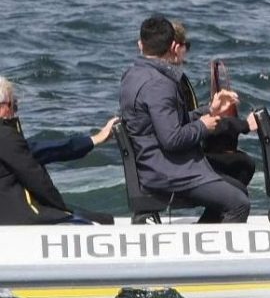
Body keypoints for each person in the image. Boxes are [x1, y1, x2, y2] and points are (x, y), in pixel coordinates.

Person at [119, 15, 250, 223]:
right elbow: (171, 138)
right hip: (168, 173)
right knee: (239, 203)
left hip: (156, 165)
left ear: (140, 45)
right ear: (173, 46)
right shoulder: (159, 84)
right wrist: (203, 126)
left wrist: (209, 109)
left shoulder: (133, 75)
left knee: (238, 189)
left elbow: (167, 122)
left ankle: (202, 238)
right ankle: (214, 254)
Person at [0, 76, 113, 225]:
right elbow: (35, 178)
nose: (15, 112)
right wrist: (61, 209)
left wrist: (94, 140)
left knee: (102, 219)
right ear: (2, 107)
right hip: (19, 217)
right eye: (14, 106)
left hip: (10, 214)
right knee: (98, 223)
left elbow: (44, 150)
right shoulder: (6, 136)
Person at [170, 20, 258, 187]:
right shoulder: (171, 83)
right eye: (186, 45)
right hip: (179, 163)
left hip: (173, 157)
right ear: (176, 47)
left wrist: (211, 109)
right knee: (244, 164)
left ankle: (217, 211)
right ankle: (221, 212)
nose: (186, 51)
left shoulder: (166, 80)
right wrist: (244, 125)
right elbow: (181, 127)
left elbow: (183, 119)